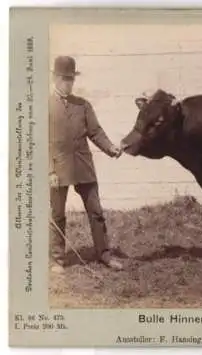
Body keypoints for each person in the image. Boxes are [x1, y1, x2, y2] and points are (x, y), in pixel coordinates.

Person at [49, 55, 124, 273]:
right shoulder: (45, 106)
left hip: (83, 165)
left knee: (96, 211)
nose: (68, 83)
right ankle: (57, 260)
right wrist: (50, 170)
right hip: (58, 168)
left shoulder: (82, 105)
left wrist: (110, 148)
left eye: (71, 79)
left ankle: (104, 254)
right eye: (64, 78)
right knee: (57, 215)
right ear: (55, 78)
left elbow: (95, 132)